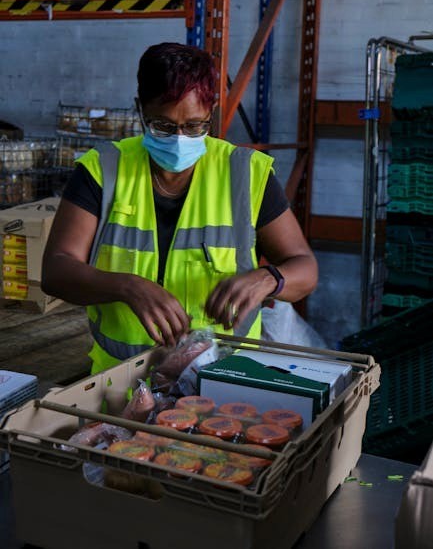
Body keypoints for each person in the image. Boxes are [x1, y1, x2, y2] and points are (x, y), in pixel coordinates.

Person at [42, 42, 318, 374]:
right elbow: (56, 271)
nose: (178, 139)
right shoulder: (103, 171)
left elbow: (305, 268)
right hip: (120, 386)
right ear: (140, 109)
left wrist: (267, 279)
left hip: (222, 384)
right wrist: (127, 286)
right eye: (163, 126)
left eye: (194, 126)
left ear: (211, 111)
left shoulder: (245, 175)